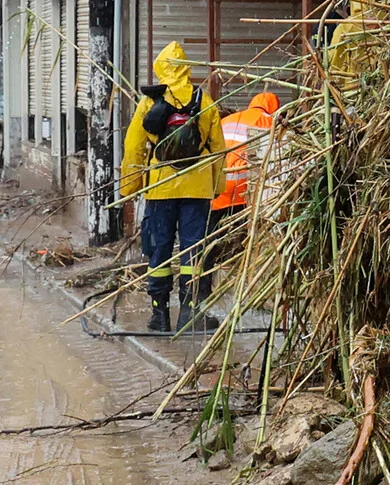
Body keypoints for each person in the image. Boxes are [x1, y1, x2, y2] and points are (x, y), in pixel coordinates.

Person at [120, 42, 225, 334]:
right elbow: (218, 147)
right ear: (186, 68)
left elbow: (135, 147)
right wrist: (216, 187)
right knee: (194, 249)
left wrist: (130, 186)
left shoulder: (150, 102)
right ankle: (190, 314)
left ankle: (160, 315)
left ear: (159, 67)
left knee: (160, 249)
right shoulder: (204, 100)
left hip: (161, 188)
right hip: (198, 187)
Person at [209, 91, 280, 217]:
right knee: (239, 231)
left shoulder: (228, 119)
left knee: (215, 231)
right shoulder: (268, 121)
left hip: (217, 184)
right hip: (242, 186)